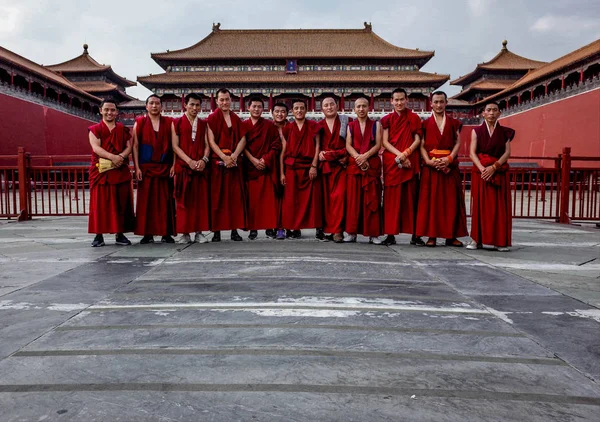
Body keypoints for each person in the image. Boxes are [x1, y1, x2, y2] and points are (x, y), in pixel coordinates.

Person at [416, 91, 468, 247]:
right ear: (430, 103)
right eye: (436, 102)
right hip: (430, 168)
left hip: (449, 168)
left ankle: (451, 236)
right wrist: (427, 161)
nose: (438, 105)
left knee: (451, 202)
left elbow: (458, 142)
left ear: (446, 103)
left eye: (441, 102)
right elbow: (422, 145)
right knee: (431, 202)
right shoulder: (424, 124)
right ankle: (432, 235)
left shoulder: (453, 122)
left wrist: (449, 159)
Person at [468, 101, 515, 251]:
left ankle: (499, 241)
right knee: (479, 206)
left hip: (498, 171)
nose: (492, 113)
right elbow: (472, 152)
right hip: (481, 173)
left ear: (500, 113)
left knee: (500, 208)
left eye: (495, 110)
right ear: (483, 113)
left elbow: (507, 153)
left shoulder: (506, 132)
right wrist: (483, 169)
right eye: (488, 110)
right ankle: (476, 239)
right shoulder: (476, 131)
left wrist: (494, 167)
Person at [88, 99, 135, 247]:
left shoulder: (122, 129)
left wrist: (121, 157)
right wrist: (113, 157)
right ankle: (98, 235)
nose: (109, 112)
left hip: (119, 169)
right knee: (100, 204)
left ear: (117, 112)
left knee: (120, 203)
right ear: (100, 110)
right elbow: (96, 148)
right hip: (101, 171)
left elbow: (129, 146)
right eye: (106, 109)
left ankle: (119, 234)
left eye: (112, 110)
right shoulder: (95, 129)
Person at [380, 88, 424, 246]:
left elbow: (417, 140)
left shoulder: (414, 117)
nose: (399, 103)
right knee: (391, 201)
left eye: (401, 99)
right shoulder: (387, 119)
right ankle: (390, 234)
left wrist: (406, 153)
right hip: (393, 161)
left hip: (410, 160)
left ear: (407, 100)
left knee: (412, 199)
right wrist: (400, 156)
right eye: (395, 100)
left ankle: (415, 235)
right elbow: (384, 142)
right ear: (391, 101)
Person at [132, 94, 176, 244]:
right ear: (146, 106)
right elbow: (135, 146)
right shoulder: (140, 122)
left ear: (161, 106)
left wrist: (174, 165)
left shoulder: (169, 122)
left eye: (157, 103)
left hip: (164, 167)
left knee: (165, 201)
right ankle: (147, 233)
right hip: (146, 168)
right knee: (146, 203)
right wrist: (136, 167)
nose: (155, 106)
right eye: (151, 103)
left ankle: (166, 233)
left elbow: (174, 147)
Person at [207, 88, 247, 242]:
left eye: (227, 99)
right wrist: (224, 157)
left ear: (231, 100)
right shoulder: (212, 118)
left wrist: (234, 156)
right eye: (221, 99)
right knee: (217, 199)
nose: (224, 102)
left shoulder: (236, 118)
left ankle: (234, 230)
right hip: (218, 164)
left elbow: (243, 139)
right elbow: (211, 141)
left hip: (234, 164)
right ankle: (216, 231)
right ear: (217, 101)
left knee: (234, 199)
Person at [171, 93, 210, 244]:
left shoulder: (203, 124)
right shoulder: (177, 122)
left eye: (197, 105)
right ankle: (185, 233)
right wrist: (189, 161)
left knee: (199, 202)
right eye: (192, 104)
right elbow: (175, 145)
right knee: (183, 202)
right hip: (184, 168)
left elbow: (207, 145)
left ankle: (199, 232)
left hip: (200, 168)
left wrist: (203, 160)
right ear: (185, 105)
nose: (194, 108)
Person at [280, 99, 323, 236]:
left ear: (306, 110)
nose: (299, 110)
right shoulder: (288, 128)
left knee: (314, 199)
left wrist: (314, 165)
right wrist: (282, 172)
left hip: (309, 167)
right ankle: (294, 228)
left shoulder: (313, 126)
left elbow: (317, 147)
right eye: (296, 108)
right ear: (292, 111)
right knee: (292, 200)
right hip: (292, 168)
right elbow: (284, 150)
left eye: (301, 108)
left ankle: (318, 228)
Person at [344, 95, 383, 244]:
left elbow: (378, 144)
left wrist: (365, 156)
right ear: (354, 109)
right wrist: (358, 158)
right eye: (358, 106)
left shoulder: (376, 125)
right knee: (353, 202)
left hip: (370, 165)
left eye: (364, 106)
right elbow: (348, 145)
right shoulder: (351, 126)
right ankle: (352, 233)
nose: (361, 109)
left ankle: (373, 234)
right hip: (355, 166)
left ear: (369, 108)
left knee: (372, 200)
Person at [243, 97, 282, 239]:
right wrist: (253, 160)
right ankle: (253, 228)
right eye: (254, 106)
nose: (257, 109)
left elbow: (276, 145)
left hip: (266, 167)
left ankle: (269, 228)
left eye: (259, 107)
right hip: (251, 167)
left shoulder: (269, 126)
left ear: (263, 109)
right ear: (248, 108)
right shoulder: (244, 126)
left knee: (268, 201)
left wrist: (265, 159)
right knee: (252, 201)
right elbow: (242, 146)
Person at [318, 95, 351, 243]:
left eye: (332, 104)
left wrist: (332, 155)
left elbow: (351, 145)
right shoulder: (318, 126)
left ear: (337, 106)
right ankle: (328, 230)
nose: (329, 107)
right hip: (325, 168)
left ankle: (338, 231)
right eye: (326, 105)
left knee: (339, 198)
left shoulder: (346, 122)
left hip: (341, 166)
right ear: (321, 109)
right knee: (326, 200)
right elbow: (317, 149)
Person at [271, 102, 291, 240]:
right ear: (272, 113)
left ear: (287, 114)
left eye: (283, 111)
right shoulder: (267, 127)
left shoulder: (292, 127)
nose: (279, 114)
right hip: (271, 165)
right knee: (274, 197)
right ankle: (276, 225)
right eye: (277, 111)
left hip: (289, 166)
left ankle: (290, 225)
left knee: (289, 197)